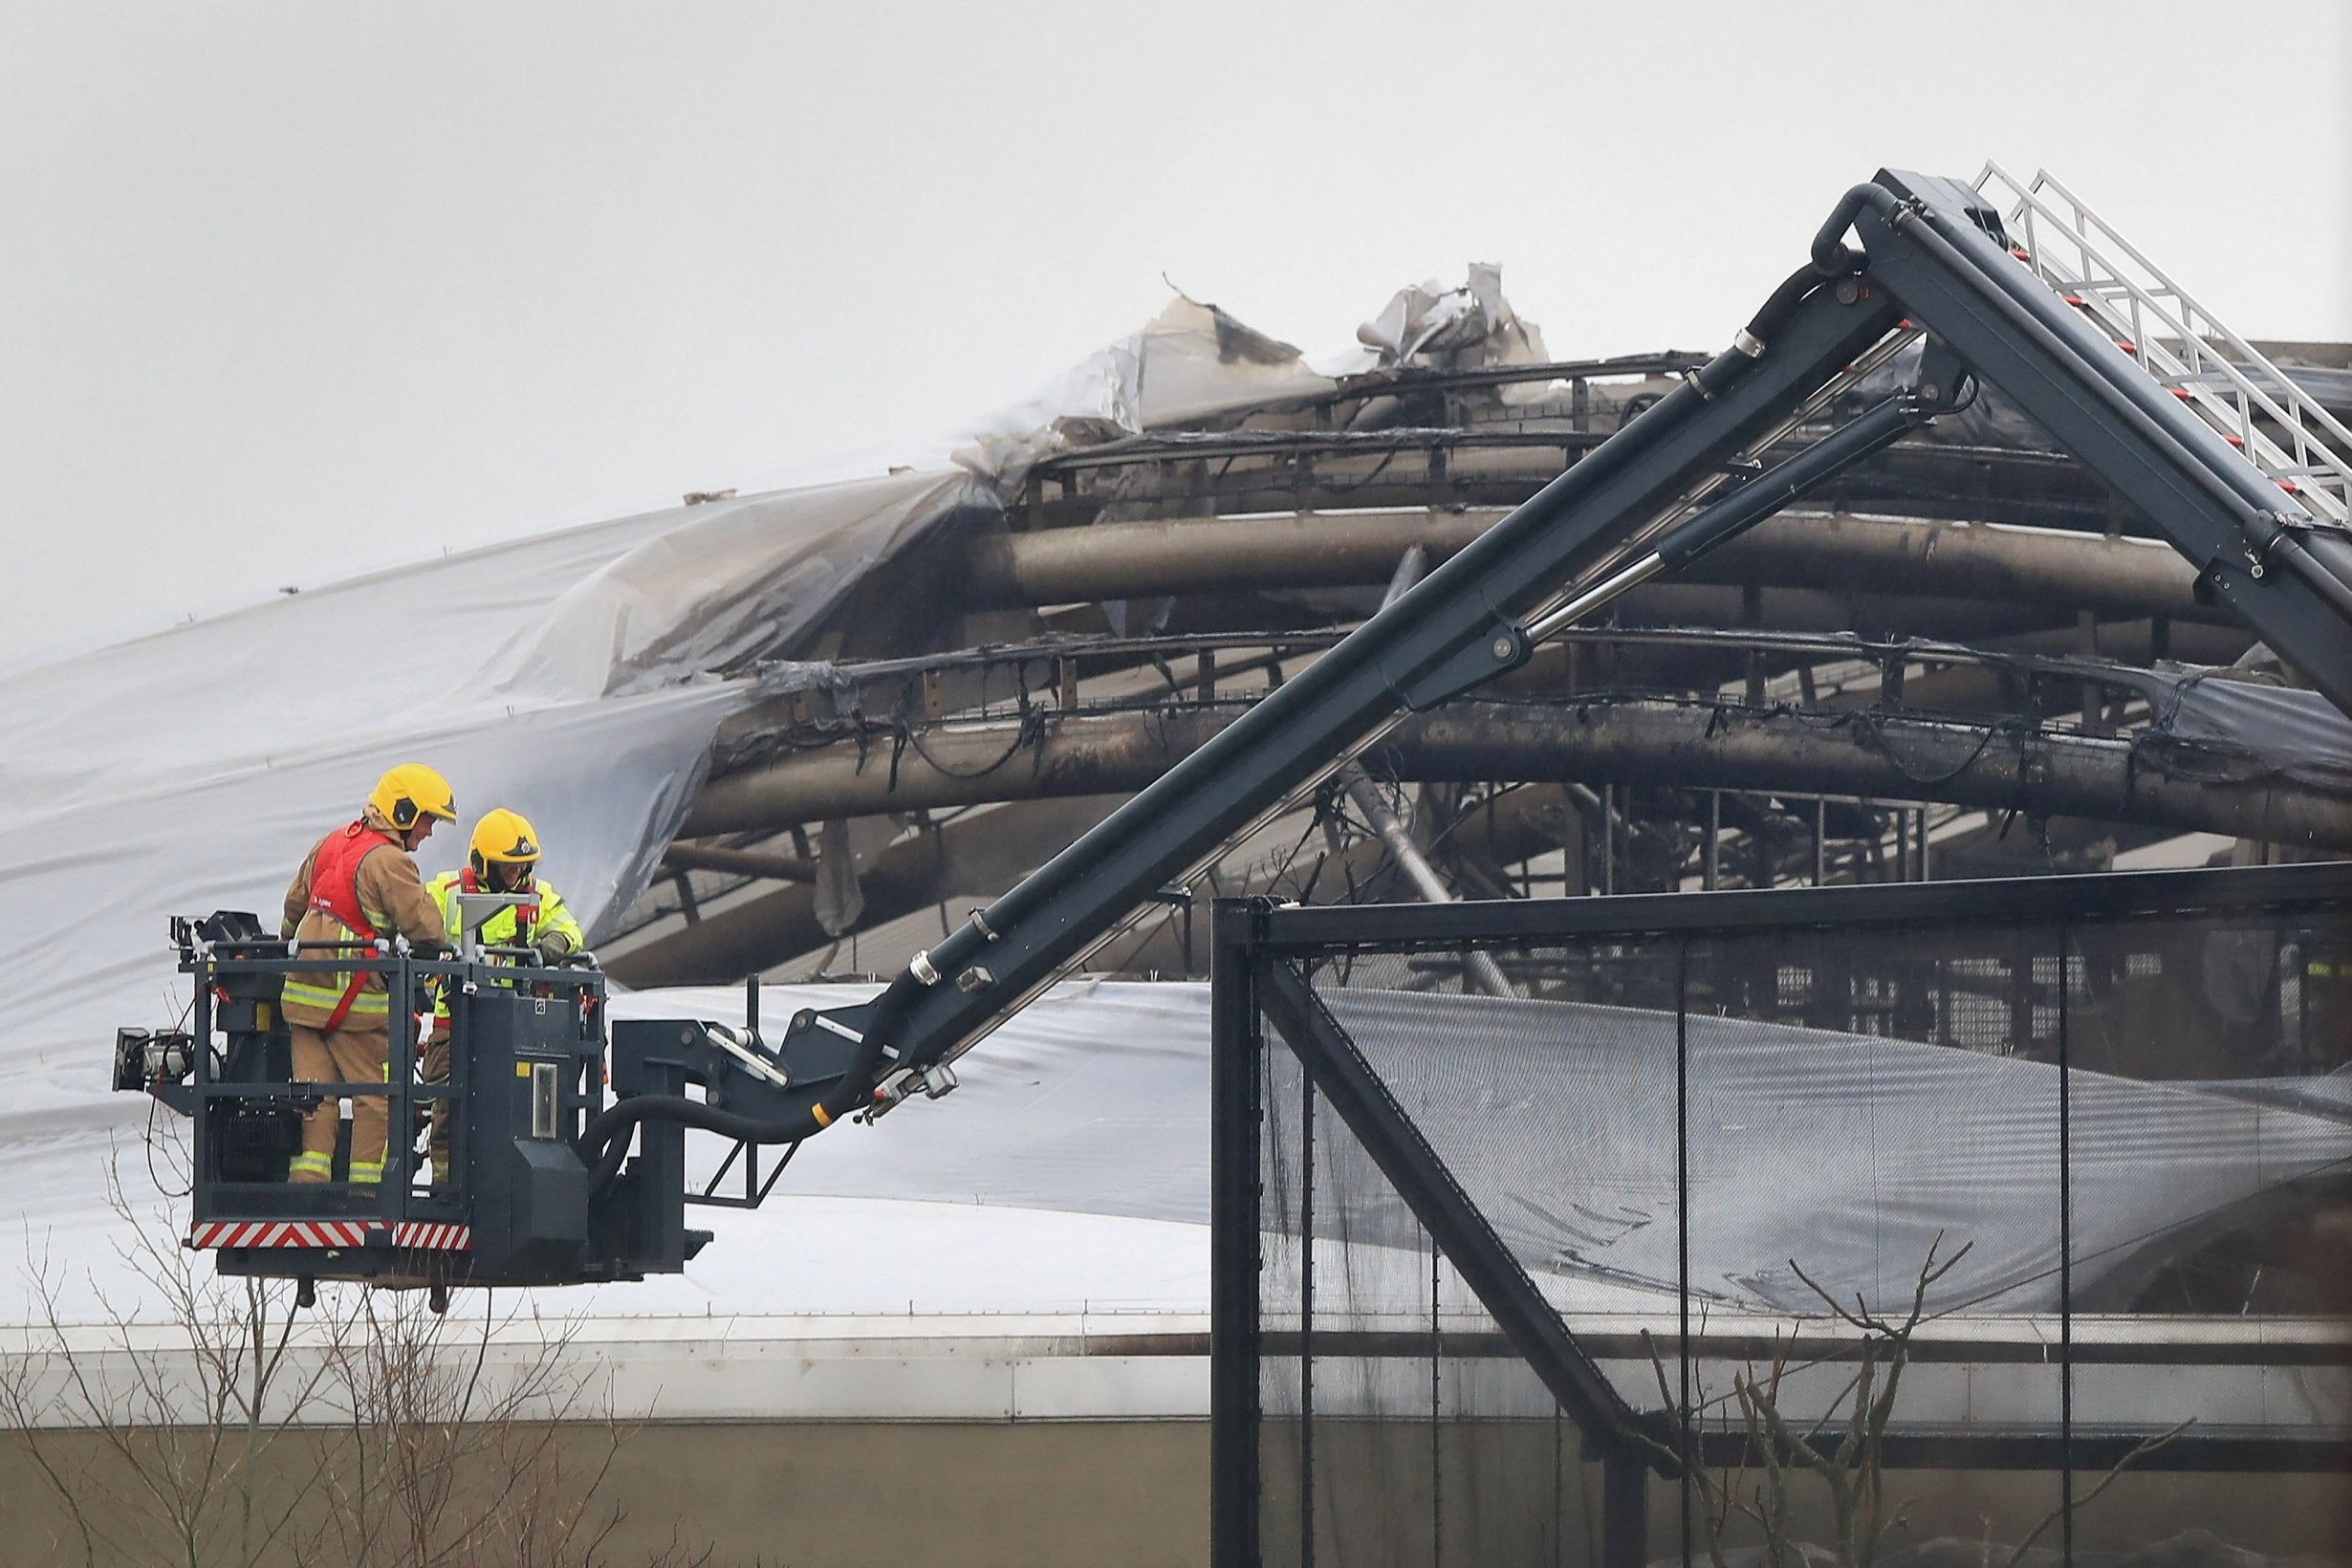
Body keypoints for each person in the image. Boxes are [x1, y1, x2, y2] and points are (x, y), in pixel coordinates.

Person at [279, 764, 456, 1186]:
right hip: (358, 1008)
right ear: (404, 811)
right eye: (428, 820)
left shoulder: (330, 844)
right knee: (376, 1101)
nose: (428, 832)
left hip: (303, 1001)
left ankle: (307, 1193)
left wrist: (290, 942)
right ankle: (367, 1197)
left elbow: (293, 908)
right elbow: (426, 929)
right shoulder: (391, 862)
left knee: (314, 1100)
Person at [418, 809, 587, 1185]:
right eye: (507, 867)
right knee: (447, 1112)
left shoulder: (538, 895)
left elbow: (568, 928)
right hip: (455, 1024)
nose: (516, 875)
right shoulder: (445, 891)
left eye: (522, 866)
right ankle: (446, 1187)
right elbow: (412, 920)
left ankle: (500, 1185)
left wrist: (556, 942)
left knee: (515, 1112)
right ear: (482, 863)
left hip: (516, 1026)